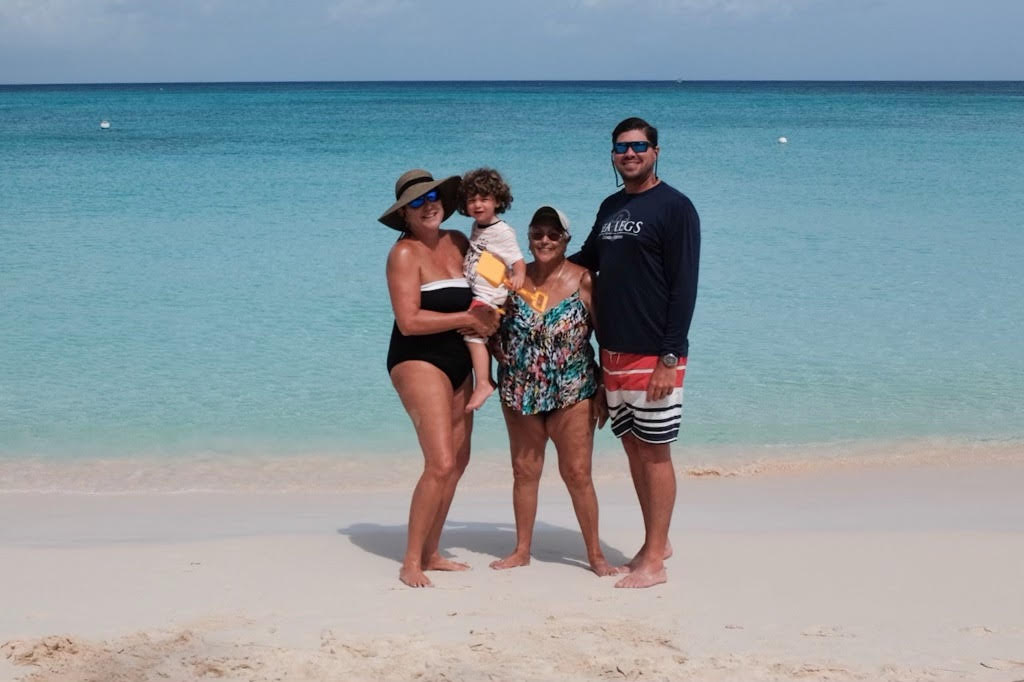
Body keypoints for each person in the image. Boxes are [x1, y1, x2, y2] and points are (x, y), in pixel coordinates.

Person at [572, 117, 701, 589]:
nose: (630, 154)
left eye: (639, 146)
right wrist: (524, 269)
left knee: (654, 453)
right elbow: (585, 259)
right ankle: (655, 542)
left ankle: (654, 563)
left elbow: (685, 286)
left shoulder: (676, 208)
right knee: (632, 448)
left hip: (654, 352)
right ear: (612, 155)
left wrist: (671, 356)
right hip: (614, 350)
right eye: (621, 148)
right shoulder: (610, 206)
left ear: (656, 152)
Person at [379, 168, 499, 588]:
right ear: (404, 216)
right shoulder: (404, 254)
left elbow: (493, 283)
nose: (427, 206)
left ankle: (433, 550)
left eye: (431, 198)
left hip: (460, 354)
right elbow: (409, 321)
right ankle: (411, 560)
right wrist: (467, 317)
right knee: (440, 461)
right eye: (415, 203)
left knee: (459, 462)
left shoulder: (458, 241)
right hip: (417, 358)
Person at [489, 205, 618, 577]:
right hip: (520, 391)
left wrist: (605, 390)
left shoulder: (584, 279)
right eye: (537, 233)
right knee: (524, 471)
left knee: (577, 474)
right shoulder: (512, 278)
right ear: (527, 238)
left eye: (553, 234)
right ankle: (521, 550)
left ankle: (595, 555)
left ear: (566, 240)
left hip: (573, 390)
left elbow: (606, 336)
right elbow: (487, 318)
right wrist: (490, 346)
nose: (544, 240)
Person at [459, 168, 526, 412]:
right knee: (475, 335)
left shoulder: (502, 231)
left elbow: (517, 260)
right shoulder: (479, 226)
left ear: (497, 201)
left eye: (484, 199)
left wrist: (519, 277)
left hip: (491, 296)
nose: (477, 204)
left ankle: (484, 382)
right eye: (472, 199)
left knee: (472, 335)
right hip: (480, 293)